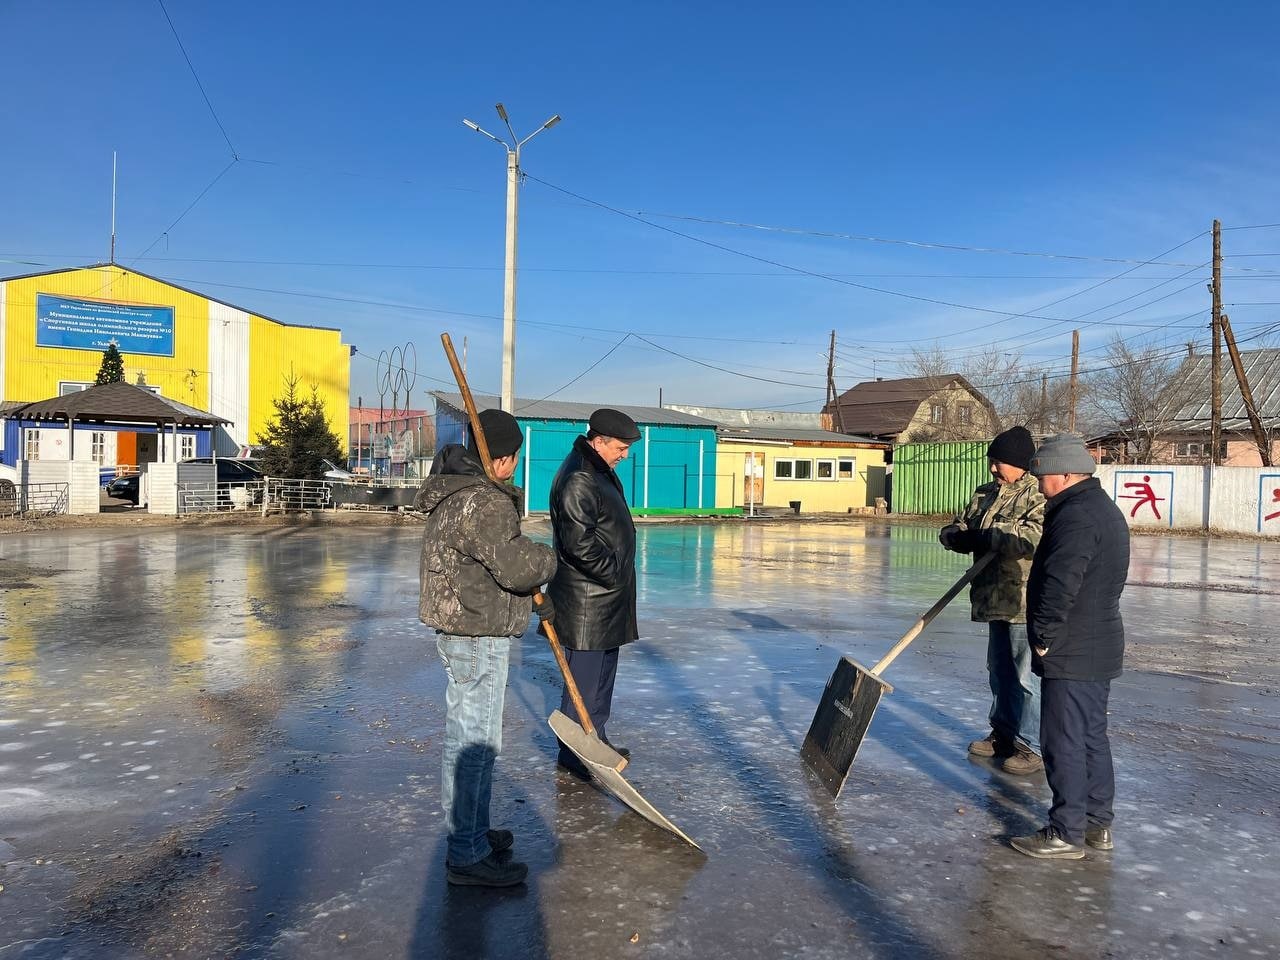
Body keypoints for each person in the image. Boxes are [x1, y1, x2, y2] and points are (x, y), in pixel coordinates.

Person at [415, 409, 557, 887]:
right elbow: (515, 567)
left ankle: (469, 831)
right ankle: (466, 853)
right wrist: (548, 559)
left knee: (466, 736)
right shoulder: (485, 502)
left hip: (461, 629)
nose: (514, 465)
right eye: (513, 456)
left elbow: (491, 560)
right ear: (502, 457)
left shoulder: (456, 494)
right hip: (478, 633)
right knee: (475, 742)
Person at [1011, 433, 1130, 860]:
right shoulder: (1101, 509)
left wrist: (1042, 636)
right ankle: (1097, 825)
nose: (1040, 485)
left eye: (1043, 477)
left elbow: (1062, 583)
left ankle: (1066, 831)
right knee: (1091, 737)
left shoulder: (1077, 516)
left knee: (1063, 740)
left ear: (1063, 474)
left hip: (1073, 647)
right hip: (1097, 643)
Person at [939, 425, 1047, 775]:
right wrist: (954, 536)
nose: (992, 469)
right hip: (990, 598)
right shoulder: (985, 493)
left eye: (999, 462)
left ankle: (1029, 745)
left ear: (1019, 464)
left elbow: (1031, 538)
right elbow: (962, 523)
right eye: (992, 461)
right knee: (998, 672)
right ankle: (1002, 733)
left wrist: (989, 537)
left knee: (1023, 676)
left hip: (1021, 599)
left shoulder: (1037, 495)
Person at [547, 408, 642, 778]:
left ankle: (595, 738)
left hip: (604, 600)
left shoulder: (599, 469)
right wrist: (615, 574)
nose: (624, 455)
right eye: (620, 447)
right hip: (588, 602)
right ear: (598, 441)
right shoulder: (580, 478)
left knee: (601, 680)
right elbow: (578, 544)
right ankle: (575, 754)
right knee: (582, 686)